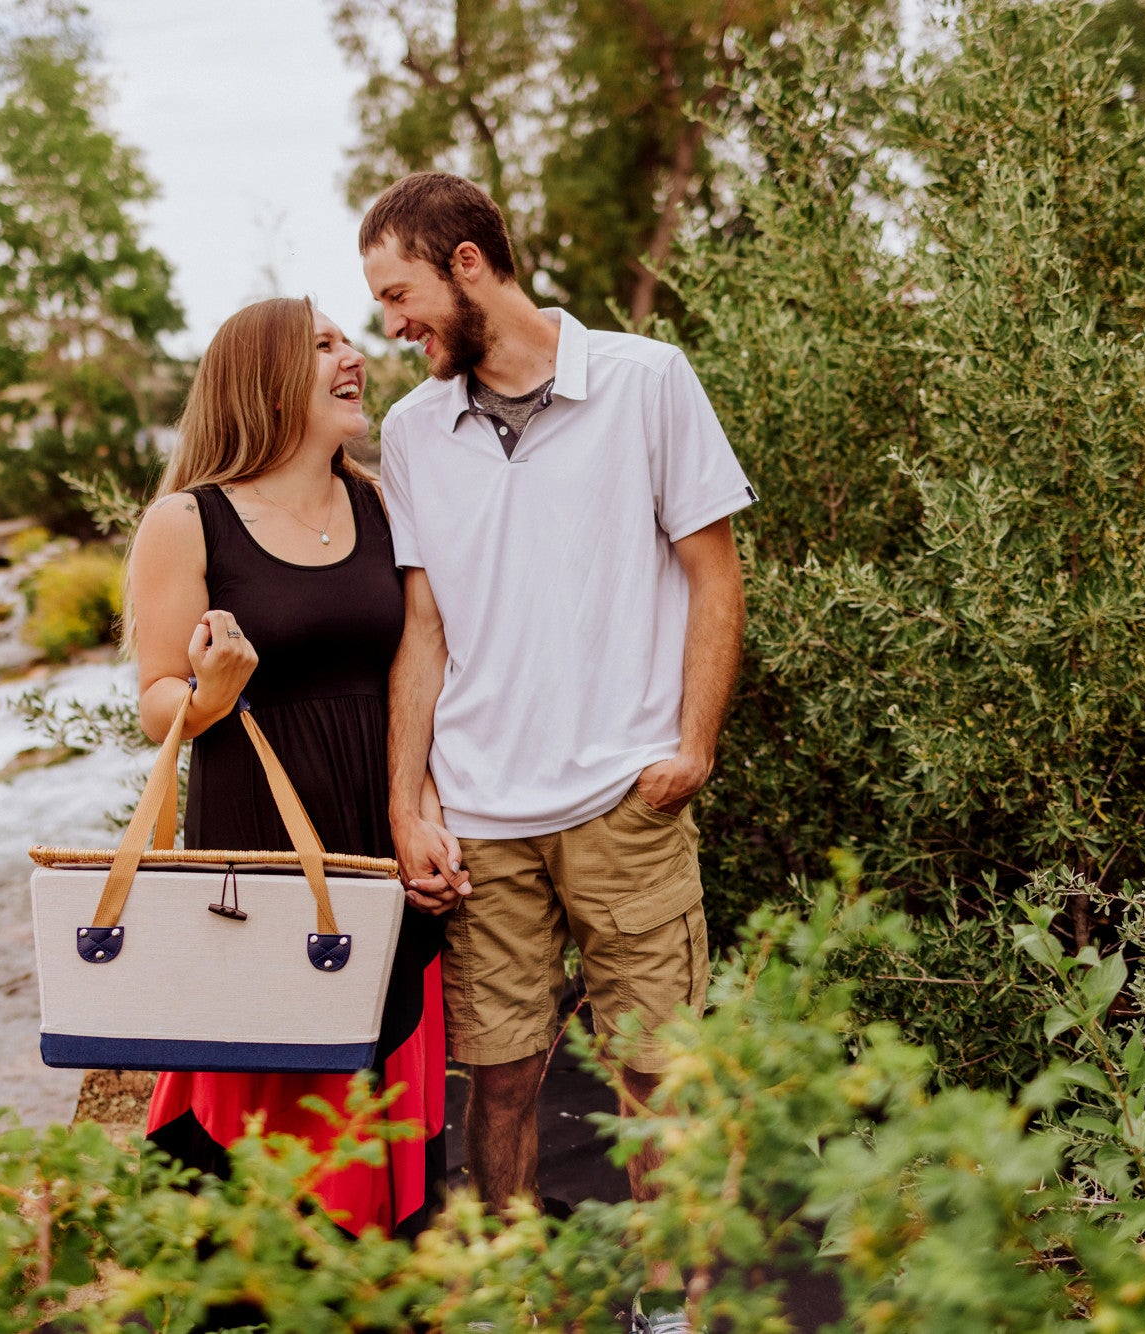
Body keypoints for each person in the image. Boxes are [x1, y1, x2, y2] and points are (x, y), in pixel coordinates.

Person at [364, 172, 753, 1330]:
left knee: (653, 1076)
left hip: (621, 800)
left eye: (400, 294)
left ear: (467, 262)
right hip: (482, 817)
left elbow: (713, 572)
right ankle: (519, 1304)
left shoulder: (645, 381)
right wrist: (406, 803)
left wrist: (692, 745)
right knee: (498, 1075)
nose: (392, 326)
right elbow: (422, 628)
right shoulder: (409, 430)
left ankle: (665, 1310)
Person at [121, 295, 447, 1241]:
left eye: (351, 339)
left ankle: (383, 1284)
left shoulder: (383, 505)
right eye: (323, 344)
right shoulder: (188, 523)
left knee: (382, 1076)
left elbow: (415, 674)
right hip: (263, 854)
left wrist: (421, 807)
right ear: (262, 377)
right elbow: (155, 703)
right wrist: (210, 691)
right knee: (283, 1108)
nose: (354, 354)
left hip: (378, 842)